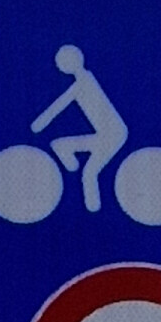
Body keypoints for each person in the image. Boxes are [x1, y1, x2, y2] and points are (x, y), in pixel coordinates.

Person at [31, 44, 128, 213]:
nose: (60, 67)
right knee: (71, 156)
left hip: (113, 135)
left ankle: (92, 208)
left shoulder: (83, 84)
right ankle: (73, 169)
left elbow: (58, 106)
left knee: (88, 171)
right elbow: (58, 106)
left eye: (62, 64)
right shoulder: (82, 83)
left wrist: (38, 125)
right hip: (110, 135)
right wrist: (38, 124)